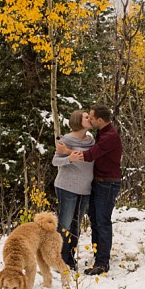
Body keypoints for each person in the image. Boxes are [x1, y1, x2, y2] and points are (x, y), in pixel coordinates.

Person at [69, 104, 122, 276]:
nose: (89, 120)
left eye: (91, 117)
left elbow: (90, 155)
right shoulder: (102, 133)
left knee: (102, 222)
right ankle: (99, 255)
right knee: (95, 220)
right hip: (99, 183)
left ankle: (102, 263)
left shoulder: (109, 137)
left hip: (107, 184)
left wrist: (66, 152)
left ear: (100, 120)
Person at [52, 110, 94, 271]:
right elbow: (55, 161)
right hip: (67, 187)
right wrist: (69, 159)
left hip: (85, 189)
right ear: (78, 120)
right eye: (86, 117)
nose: (89, 119)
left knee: (76, 225)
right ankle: (59, 259)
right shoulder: (67, 140)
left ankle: (70, 258)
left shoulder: (91, 140)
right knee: (65, 224)